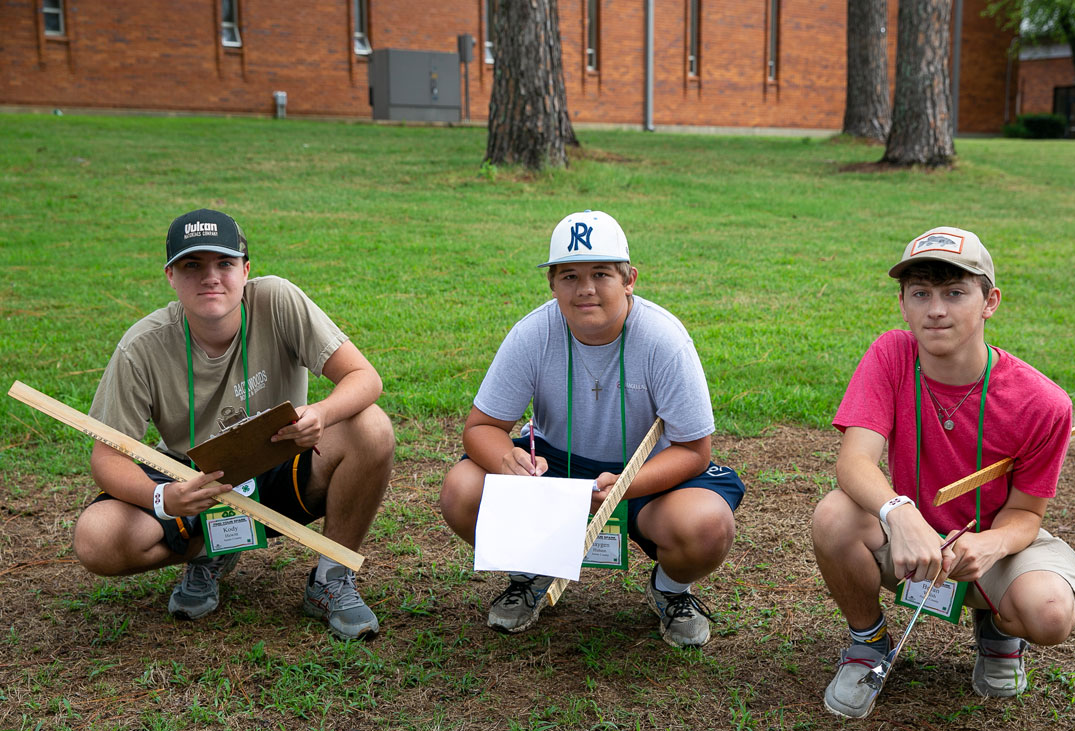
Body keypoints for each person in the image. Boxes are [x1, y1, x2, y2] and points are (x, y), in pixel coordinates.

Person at [72, 209, 394, 640]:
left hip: (285, 464)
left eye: (224, 263)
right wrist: (165, 497)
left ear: (245, 270)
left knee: (371, 427)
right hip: (199, 484)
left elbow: (364, 378)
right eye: (192, 265)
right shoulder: (141, 347)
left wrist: (319, 414)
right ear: (170, 275)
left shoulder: (278, 300)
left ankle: (331, 578)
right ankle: (209, 552)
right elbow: (106, 456)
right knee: (96, 537)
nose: (211, 277)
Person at [811, 226, 1075, 718]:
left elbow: (1026, 513)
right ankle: (868, 642)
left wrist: (989, 546)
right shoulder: (892, 356)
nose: (935, 309)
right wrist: (900, 513)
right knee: (834, 515)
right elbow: (854, 462)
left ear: (990, 302)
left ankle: (998, 629)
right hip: (910, 542)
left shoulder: (1043, 404)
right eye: (921, 293)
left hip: (991, 547)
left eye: (955, 292)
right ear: (903, 304)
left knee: (1049, 613)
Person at [439, 210, 745, 647]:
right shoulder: (532, 334)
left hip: (647, 474)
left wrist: (626, 485)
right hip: (555, 467)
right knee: (461, 490)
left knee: (708, 524)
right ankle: (532, 571)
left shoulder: (665, 339)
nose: (584, 289)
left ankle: (671, 590)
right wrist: (507, 458)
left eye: (601, 273)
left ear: (629, 279)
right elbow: (482, 427)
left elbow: (696, 450)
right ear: (552, 284)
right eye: (568, 276)